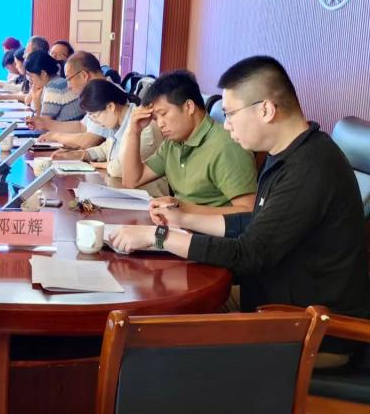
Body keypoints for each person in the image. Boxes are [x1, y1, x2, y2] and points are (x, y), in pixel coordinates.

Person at [111, 57, 370, 363]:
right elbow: (255, 222)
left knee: (156, 346)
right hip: (272, 308)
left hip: (308, 330)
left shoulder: (310, 168)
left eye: (231, 113)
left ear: (266, 110)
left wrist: (159, 237)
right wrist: (183, 218)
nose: (226, 124)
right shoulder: (286, 154)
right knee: (156, 316)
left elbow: (248, 254)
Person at [121, 69, 257, 213]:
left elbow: (247, 211)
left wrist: (182, 209)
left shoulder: (226, 146)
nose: (160, 124)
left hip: (207, 227)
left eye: (163, 114)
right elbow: (131, 180)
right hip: (179, 222)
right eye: (155, 119)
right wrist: (134, 131)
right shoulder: (172, 143)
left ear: (189, 107)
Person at [53, 79, 160, 180]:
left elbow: (120, 168)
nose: (95, 122)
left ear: (110, 107)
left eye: (95, 116)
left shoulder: (144, 126)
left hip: (146, 192)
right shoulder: (118, 122)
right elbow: (106, 149)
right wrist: (80, 154)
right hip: (120, 187)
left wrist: (100, 165)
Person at [31, 52, 110, 148]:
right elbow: (82, 126)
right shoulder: (97, 91)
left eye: (69, 79)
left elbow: (90, 141)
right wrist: (45, 123)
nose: (68, 86)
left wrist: (56, 136)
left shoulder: (107, 94)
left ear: (84, 75)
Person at [23, 50, 83, 122]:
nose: (29, 79)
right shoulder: (58, 81)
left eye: (31, 76)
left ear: (43, 74)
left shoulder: (54, 88)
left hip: (65, 128)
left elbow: (43, 124)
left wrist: (37, 103)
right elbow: (28, 102)